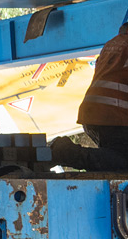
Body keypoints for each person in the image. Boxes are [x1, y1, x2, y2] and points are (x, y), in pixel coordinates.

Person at [53, 13, 128, 170]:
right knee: (121, 164)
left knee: (115, 160)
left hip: (96, 114)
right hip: (114, 116)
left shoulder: (113, 43)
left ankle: (65, 152)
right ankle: (65, 153)